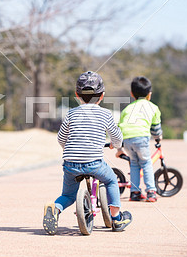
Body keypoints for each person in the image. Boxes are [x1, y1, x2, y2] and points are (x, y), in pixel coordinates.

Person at [43, 71, 132, 235]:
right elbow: (117, 137)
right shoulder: (105, 114)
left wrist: (70, 150)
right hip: (94, 163)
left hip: (70, 163)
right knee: (112, 180)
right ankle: (117, 218)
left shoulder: (71, 113)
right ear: (102, 95)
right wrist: (116, 145)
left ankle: (55, 209)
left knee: (68, 195)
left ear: (77, 95)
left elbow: (61, 138)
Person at [117, 76, 163, 202]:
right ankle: (151, 192)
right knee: (146, 163)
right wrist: (158, 138)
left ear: (132, 94)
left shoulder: (127, 109)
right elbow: (155, 128)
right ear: (149, 94)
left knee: (134, 165)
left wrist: (119, 148)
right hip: (141, 139)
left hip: (127, 140)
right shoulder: (153, 107)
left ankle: (135, 192)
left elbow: (119, 128)